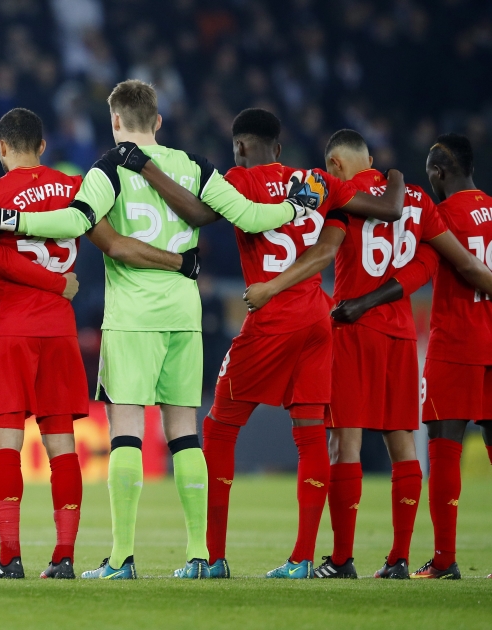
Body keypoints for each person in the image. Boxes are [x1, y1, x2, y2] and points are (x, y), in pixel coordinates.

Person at [0, 80, 305, 580]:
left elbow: (77, 221)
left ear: (116, 121)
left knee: (127, 436)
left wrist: (9, 218)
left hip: (131, 315)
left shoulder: (109, 166)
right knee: (185, 435)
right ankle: (200, 557)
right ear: (159, 122)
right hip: (184, 314)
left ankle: (122, 557)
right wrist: (297, 207)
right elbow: (251, 217)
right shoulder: (193, 166)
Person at [154, 108, 405, 579]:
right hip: (317, 317)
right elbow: (389, 210)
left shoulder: (240, 181)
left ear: (241, 148)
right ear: (281, 148)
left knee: (220, 429)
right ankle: (301, 559)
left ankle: (212, 558)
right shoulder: (316, 181)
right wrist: (393, 171)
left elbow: (194, 212)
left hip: (271, 320)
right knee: (310, 433)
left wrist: (149, 170)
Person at [277, 129, 492, 579]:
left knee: (346, 444)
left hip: (358, 332)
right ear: (369, 158)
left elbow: (326, 250)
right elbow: (429, 266)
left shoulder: (343, 195)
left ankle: (341, 560)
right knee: (402, 446)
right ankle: (398, 558)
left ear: (335, 163)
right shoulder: (418, 199)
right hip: (400, 336)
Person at [406, 133, 492, 580]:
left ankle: (444, 560)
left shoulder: (441, 216)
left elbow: (442, 268)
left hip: (458, 340)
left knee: (443, 445)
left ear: (439, 173)